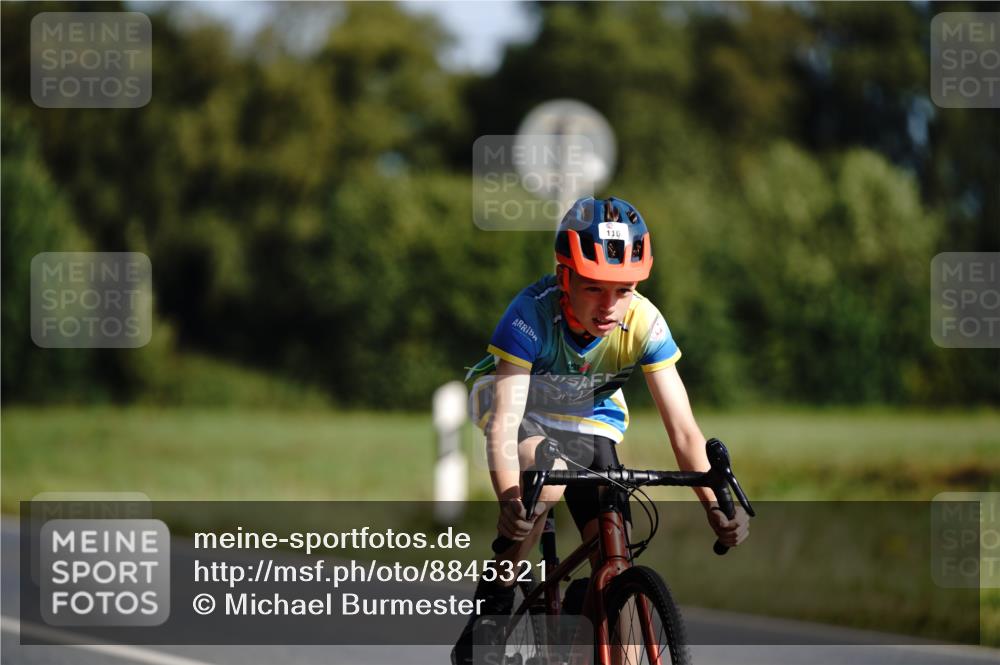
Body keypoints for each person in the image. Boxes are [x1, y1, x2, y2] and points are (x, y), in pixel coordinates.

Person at [452, 196, 750, 665]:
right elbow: (505, 424)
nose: (610, 306)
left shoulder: (644, 322)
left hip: (591, 421)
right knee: (540, 494)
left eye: (624, 289)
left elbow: (685, 432)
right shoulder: (531, 315)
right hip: (519, 408)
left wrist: (715, 505)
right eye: (594, 288)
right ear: (565, 276)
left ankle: (601, 606)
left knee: (616, 543)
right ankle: (494, 602)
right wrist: (511, 498)